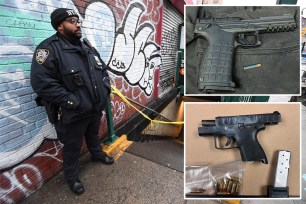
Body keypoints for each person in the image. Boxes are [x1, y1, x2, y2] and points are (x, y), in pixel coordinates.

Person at [30, 8, 114, 195]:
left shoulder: (86, 46)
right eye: (72, 21)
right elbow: (42, 84)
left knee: (93, 135)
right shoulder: (48, 49)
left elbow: (102, 70)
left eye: (78, 20)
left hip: (94, 107)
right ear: (60, 26)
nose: (78, 24)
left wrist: (105, 89)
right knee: (72, 148)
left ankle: (97, 155)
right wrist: (73, 102)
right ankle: (72, 177)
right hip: (73, 112)